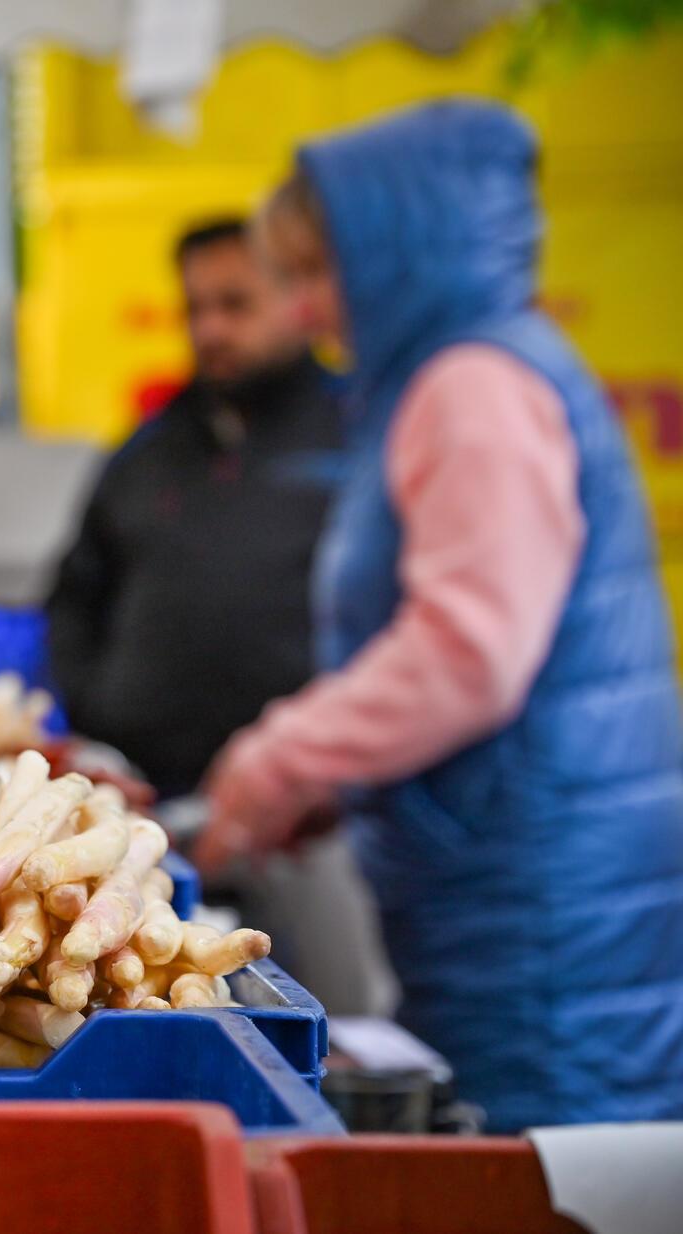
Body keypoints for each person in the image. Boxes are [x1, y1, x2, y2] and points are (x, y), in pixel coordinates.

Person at [198, 101, 683, 1129]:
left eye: (318, 274)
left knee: (546, 1165)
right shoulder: (466, 369)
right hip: (520, 888)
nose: (307, 313)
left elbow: (470, 652)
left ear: (400, 254)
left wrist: (281, 758)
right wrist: (353, 777)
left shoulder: (474, 386)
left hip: (544, 914)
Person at [47, 218, 342, 800]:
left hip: (315, 812)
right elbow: (76, 595)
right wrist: (95, 716)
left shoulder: (362, 436)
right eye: (195, 308)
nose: (210, 329)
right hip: (147, 803)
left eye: (235, 305)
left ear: (299, 299)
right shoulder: (147, 448)